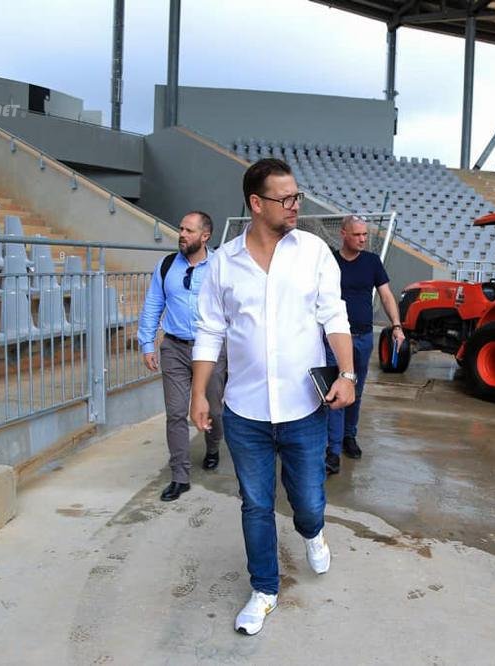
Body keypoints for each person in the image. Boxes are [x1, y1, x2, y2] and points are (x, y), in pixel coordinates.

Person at [189, 158, 356, 636]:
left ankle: (313, 532)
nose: (295, 206)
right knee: (256, 504)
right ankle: (264, 590)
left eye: (297, 196)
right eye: (286, 199)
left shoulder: (314, 253)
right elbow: (210, 332)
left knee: (307, 502)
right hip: (245, 413)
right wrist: (200, 393)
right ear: (256, 204)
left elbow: (335, 316)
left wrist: (346, 373)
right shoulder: (224, 263)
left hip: (305, 408)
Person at [137, 211, 227, 503]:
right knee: (176, 412)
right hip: (174, 347)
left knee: (213, 408)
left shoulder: (220, 266)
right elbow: (153, 304)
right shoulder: (166, 266)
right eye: (180, 229)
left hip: (210, 348)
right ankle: (180, 476)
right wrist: (147, 343)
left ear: (205, 236)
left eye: (189, 230)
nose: (182, 234)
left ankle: (213, 446)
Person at [323, 215, 405, 475]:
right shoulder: (329, 262)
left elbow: (386, 294)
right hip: (334, 338)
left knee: (355, 392)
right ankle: (333, 450)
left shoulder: (372, 262)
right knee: (337, 391)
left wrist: (396, 326)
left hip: (362, 337)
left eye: (365, 235)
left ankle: (349, 436)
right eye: (357, 234)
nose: (362, 239)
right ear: (344, 234)